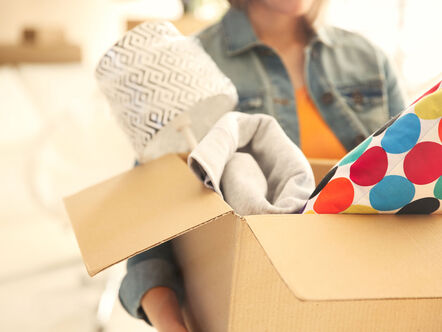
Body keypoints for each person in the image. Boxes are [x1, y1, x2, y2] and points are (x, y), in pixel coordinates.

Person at [118, 0, 406, 331]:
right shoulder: (184, 70)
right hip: (250, 313)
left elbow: (408, 188)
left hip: (366, 305)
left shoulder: (368, 59)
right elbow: (149, 240)